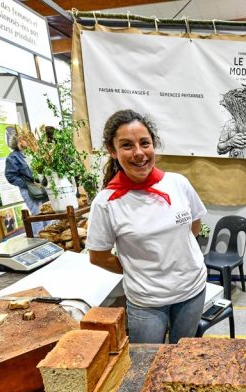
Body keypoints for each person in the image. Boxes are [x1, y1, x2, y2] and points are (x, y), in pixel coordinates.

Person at [86, 109, 208, 343]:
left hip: (192, 291)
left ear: (154, 145)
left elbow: (194, 225)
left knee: (182, 355)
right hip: (147, 302)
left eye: (145, 143)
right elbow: (99, 256)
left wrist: (176, 256)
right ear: (112, 151)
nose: (139, 153)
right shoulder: (106, 202)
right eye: (127, 145)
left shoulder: (178, 183)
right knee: (147, 361)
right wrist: (137, 270)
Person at [5, 128, 46, 232]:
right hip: (29, 190)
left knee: (48, 214)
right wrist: (26, 184)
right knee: (37, 215)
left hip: (42, 188)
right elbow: (10, 176)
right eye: (24, 138)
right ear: (18, 141)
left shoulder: (33, 153)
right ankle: (39, 237)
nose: (28, 140)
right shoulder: (13, 157)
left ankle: (50, 236)